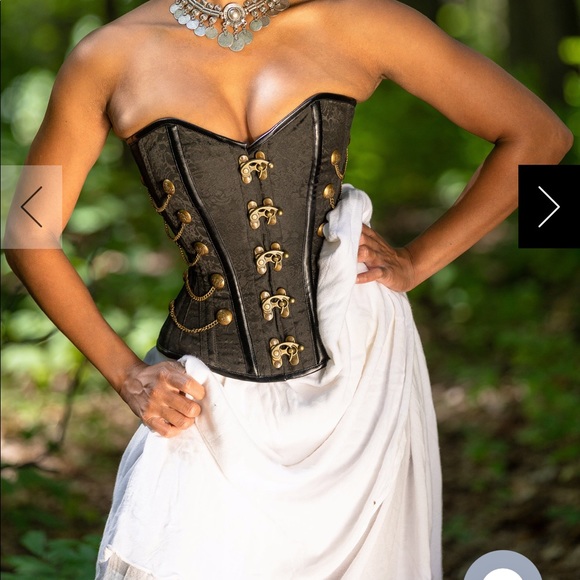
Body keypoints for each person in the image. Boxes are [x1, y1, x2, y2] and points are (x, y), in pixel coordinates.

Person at [4, 0, 572, 578]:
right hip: (206, 398)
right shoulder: (106, 56)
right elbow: (25, 232)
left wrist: (417, 261)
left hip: (362, 376)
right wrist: (126, 373)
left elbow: (542, 136)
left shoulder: (359, 20)